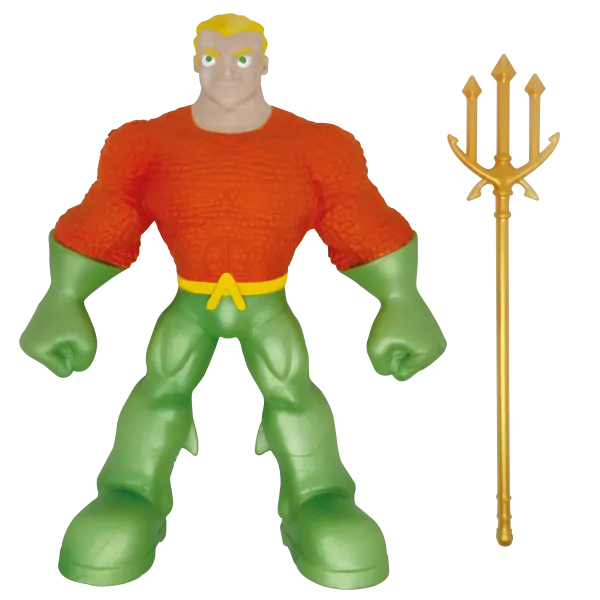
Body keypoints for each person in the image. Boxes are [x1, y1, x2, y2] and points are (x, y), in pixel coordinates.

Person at [20, 13, 447, 590]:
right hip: (192, 299)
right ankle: (131, 489)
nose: (225, 70)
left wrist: (401, 298)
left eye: (242, 57)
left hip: (266, 300)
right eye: (211, 56)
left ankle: (319, 494)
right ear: (194, 62)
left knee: (291, 391)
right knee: (161, 388)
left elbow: (355, 215)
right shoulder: (147, 144)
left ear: (264, 63)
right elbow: (110, 213)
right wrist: (64, 296)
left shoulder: (315, 146)